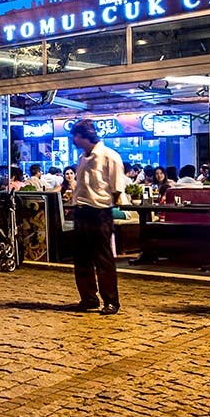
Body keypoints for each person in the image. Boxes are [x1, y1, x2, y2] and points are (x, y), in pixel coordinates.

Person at [68, 119, 125, 315]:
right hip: (81, 211)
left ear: (84, 136)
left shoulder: (109, 156)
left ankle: (111, 301)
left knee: (103, 259)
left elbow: (117, 188)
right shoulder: (83, 158)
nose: (74, 140)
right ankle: (88, 298)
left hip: (99, 212)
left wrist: (107, 205)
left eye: (76, 135)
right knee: (82, 259)